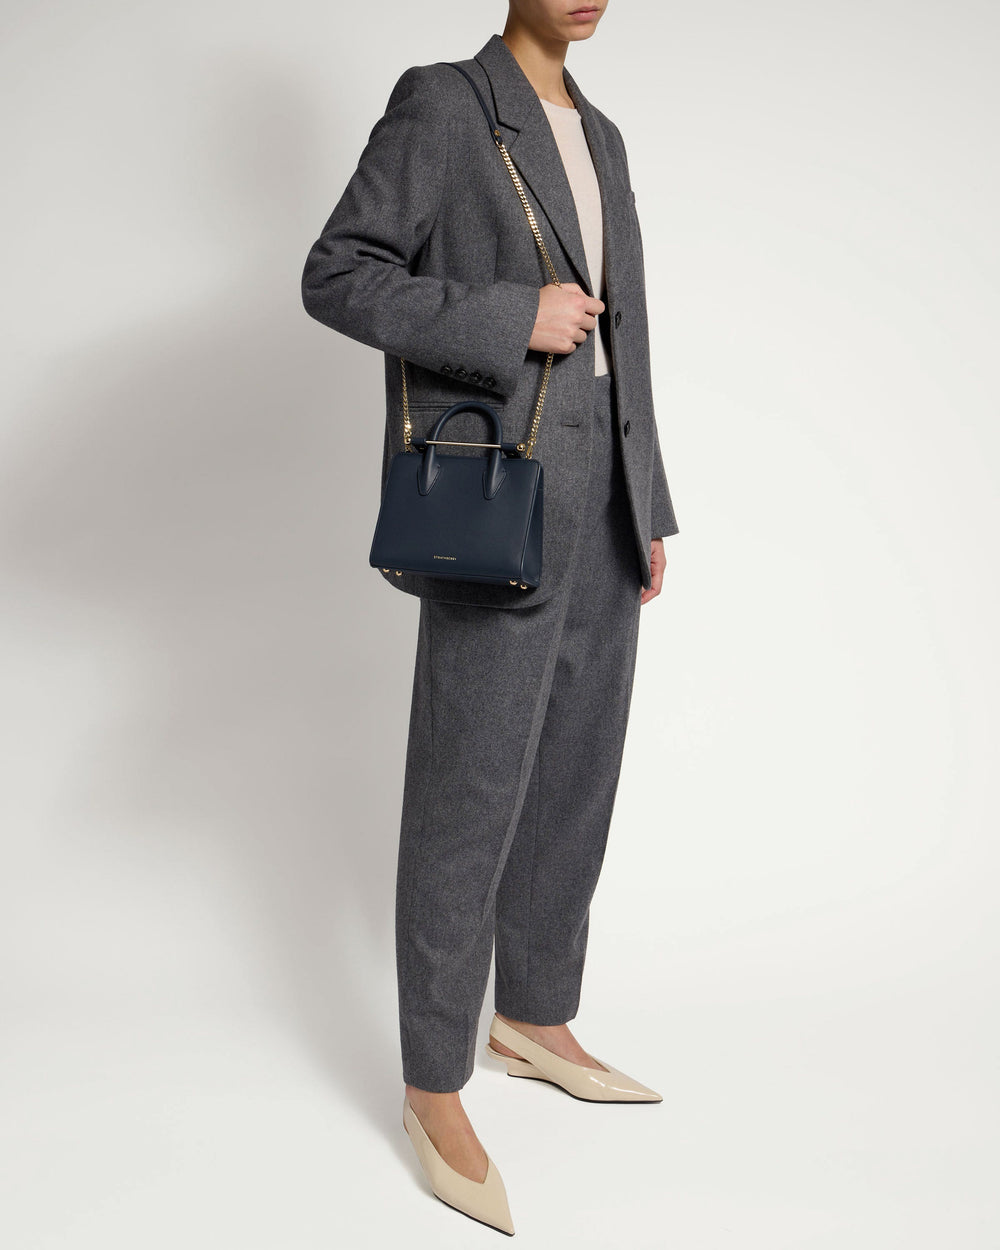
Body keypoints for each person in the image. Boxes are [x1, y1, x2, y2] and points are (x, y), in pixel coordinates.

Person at [301, 1, 679, 1235]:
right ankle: (431, 1083)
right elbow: (338, 272)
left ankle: (532, 1014)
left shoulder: (602, 132)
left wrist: (648, 502)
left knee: (575, 773)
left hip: (603, 500)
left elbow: (628, 338)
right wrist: (508, 318)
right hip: (498, 497)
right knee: (468, 793)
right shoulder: (445, 103)